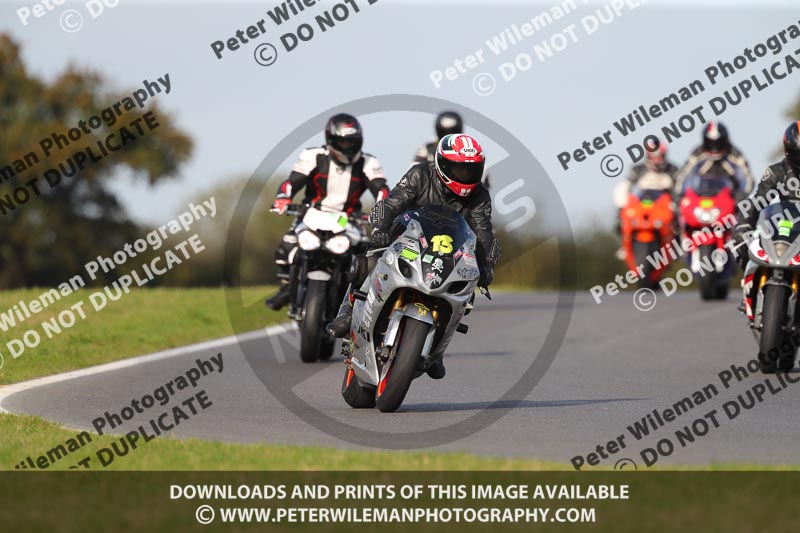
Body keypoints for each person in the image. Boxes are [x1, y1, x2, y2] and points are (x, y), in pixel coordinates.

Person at [326, 133, 501, 380]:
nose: (464, 175)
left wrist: (486, 264)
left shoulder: (479, 195)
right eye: (458, 169)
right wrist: (380, 229)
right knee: (369, 258)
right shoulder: (421, 174)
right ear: (441, 164)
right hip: (407, 235)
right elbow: (392, 202)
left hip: (446, 250)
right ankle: (346, 313)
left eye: (471, 170)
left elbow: (483, 231)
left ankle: (436, 350)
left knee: (467, 288)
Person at [265, 113, 389, 310]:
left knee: (366, 258)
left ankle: (353, 302)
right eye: (343, 142)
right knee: (286, 247)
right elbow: (293, 181)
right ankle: (287, 286)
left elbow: (381, 190)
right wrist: (283, 198)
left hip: (347, 220)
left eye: (352, 142)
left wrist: (382, 213)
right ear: (331, 140)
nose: (348, 147)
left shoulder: (369, 163)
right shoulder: (313, 155)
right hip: (312, 214)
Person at [732, 121, 800, 265]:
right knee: (744, 247)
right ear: (789, 151)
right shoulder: (778, 171)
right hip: (784, 229)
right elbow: (757, 201)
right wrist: (743, 226)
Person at [673, 121, 754, 200]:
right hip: (702, 199)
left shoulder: (735, 155)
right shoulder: (697, 154)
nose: (714, 147)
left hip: (729, 199)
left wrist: (742, 195)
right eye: (710, 143)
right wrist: (678, 195)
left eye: (718, 143)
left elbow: (747, 177)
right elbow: (683, 175)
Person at [413, 111, 490, 188]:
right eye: (443, 133)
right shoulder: (426, 149)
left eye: (453, 132)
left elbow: (483, 176)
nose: (448, 136)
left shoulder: (470, 148)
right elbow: (415, 175)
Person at [612, 140, 678, 231]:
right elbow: (624, 186)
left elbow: (678, 189)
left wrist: (675, 206)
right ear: (649, 156)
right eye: (654, 156)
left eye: (660, 156)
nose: (657, 160)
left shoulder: (672, 170)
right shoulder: (638, 169)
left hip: (664, 208)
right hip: (642, 206)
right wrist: (621, 208)